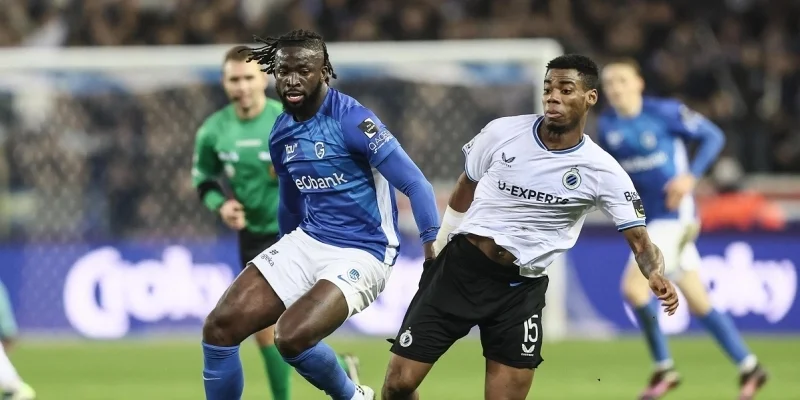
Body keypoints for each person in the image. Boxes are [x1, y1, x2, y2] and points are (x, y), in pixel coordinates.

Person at [381, 54, 680, 400]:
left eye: (565, 89)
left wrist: (654, 273)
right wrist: (441, 245)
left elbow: (641, 243)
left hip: (520, 291)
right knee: (398, 385)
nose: (553, 96)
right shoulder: (502, 132)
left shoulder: (603, 171)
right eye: (548, 88)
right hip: (461, 270)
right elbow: (466, 185)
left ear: (590, 98)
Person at [200, 29, 440, 400]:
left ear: (324, 72)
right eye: (284, 72)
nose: (292, 80)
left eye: (303, 70)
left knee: (290, 337)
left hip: (365, 251)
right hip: (309, 239)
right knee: (219, 327)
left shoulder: (354, 121)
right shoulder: (281, 131)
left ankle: (353, 396)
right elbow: (290, 202)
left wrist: (431, 251)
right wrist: (281, 254)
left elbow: (416, 184)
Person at [192, 45, 362, 400]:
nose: (242, 87)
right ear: (224, 82)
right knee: (270, 333)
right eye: (234, 80)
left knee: (278, 332)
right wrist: (222, 205)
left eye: (248, 78)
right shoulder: (213, 130)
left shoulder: (286, 120)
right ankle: (343, 375)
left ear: (264, 79)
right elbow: (204, 179)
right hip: (254, 237)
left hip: (301, 235)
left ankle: (332, 382)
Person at [598, 59, 768, 400]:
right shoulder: (607, 126)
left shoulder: (665, 112)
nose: (615, 88)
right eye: (610, 82)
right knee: (699, 300)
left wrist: (690, 177)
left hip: (676, 217)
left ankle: (664, 367)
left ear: (639, 83)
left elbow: (713, 136)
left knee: (634, 289)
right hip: (649, 221)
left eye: (622, 80)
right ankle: (750, 366)